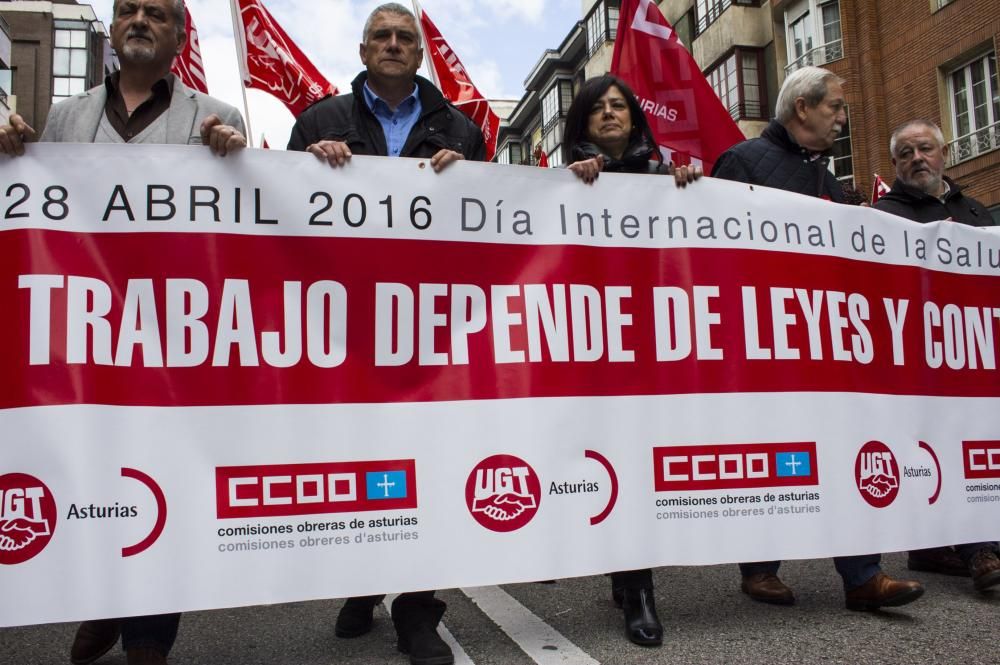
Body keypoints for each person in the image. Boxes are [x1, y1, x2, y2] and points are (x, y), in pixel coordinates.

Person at [0, 2, 246, 664]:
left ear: (179, 36)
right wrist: (16, 154)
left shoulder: (217, 114)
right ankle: (103, 603)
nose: (140, 20)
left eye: (156, 13)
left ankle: (147, 638)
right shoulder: (64, 117)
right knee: (93, 480)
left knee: (162, 485)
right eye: (128, 10)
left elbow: (241, 230)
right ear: (113, 29)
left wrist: (237, 158)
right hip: (87, 341)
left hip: (173, 343)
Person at [287, 4, 483, 665]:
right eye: (383, 37)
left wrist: (472, 182)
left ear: (419, 54)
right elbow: (281, 225)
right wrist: (308, 168)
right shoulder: (318, 121)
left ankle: (418, 607)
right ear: (364, 48)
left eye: (406, 38)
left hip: (429, 329)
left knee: (426, 463)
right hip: (346, 328)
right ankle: (362, 580)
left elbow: (483, 230)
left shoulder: (460, 128)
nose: (395, 45)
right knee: (357, 462)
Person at [712, 66, 925, 612]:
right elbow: (712, 248)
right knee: (772, 452)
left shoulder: (827, 179)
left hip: (824, 341)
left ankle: (863, 577)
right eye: (835, 107)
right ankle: (760, 569)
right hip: (763, 338)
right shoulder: (740, 163)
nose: (842, 119)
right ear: (802, 108)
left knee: (844, 446)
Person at [562, 74, 698, 648]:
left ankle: (634, 582)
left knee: (642, 460)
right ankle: (632, 583)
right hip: (593, 346)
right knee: (612, 457)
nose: (611, 114)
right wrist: (564, 185)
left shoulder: (663, 176)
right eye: (599, 108)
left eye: (620, 105)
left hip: (653, 344)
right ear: (583, 121)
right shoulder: (559, 180)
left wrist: (688, 186)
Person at [875, 119, 1000, 592]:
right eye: (905, 153)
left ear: (943, 152)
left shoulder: (974, 209)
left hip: (975, 351)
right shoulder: (885, 214)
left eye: (924, 148)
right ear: (894, 165)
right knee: (944, 448)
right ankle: (977, 550)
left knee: (979, 445)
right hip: (919, 355)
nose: (916, 159)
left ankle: (939, 546)